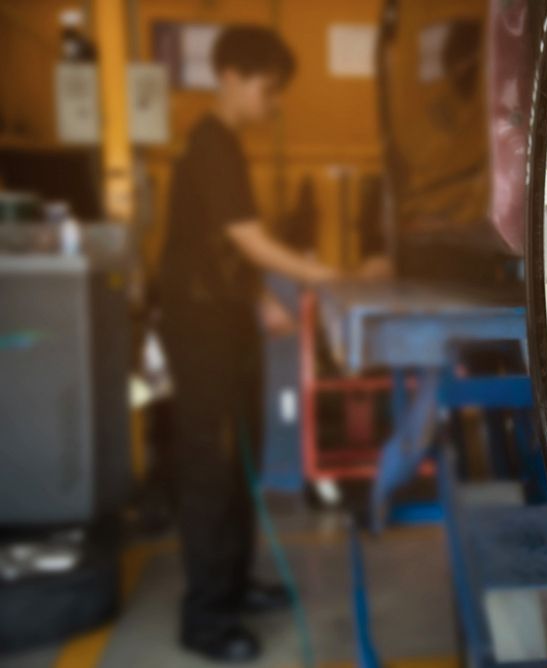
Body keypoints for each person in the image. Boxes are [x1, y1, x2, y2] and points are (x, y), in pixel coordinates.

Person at [157, 25, 335, 662]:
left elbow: (225, 248)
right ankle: (204, 621)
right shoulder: (211, 145)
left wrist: (259, 299)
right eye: (269, 88)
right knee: (211, 471)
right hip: (199, 331)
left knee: (240, 462)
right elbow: (251, 240)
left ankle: (231, 587)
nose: (275, 102)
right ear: (231, 75)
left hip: (226, 324)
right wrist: (335, 278)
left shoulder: (223, 145)